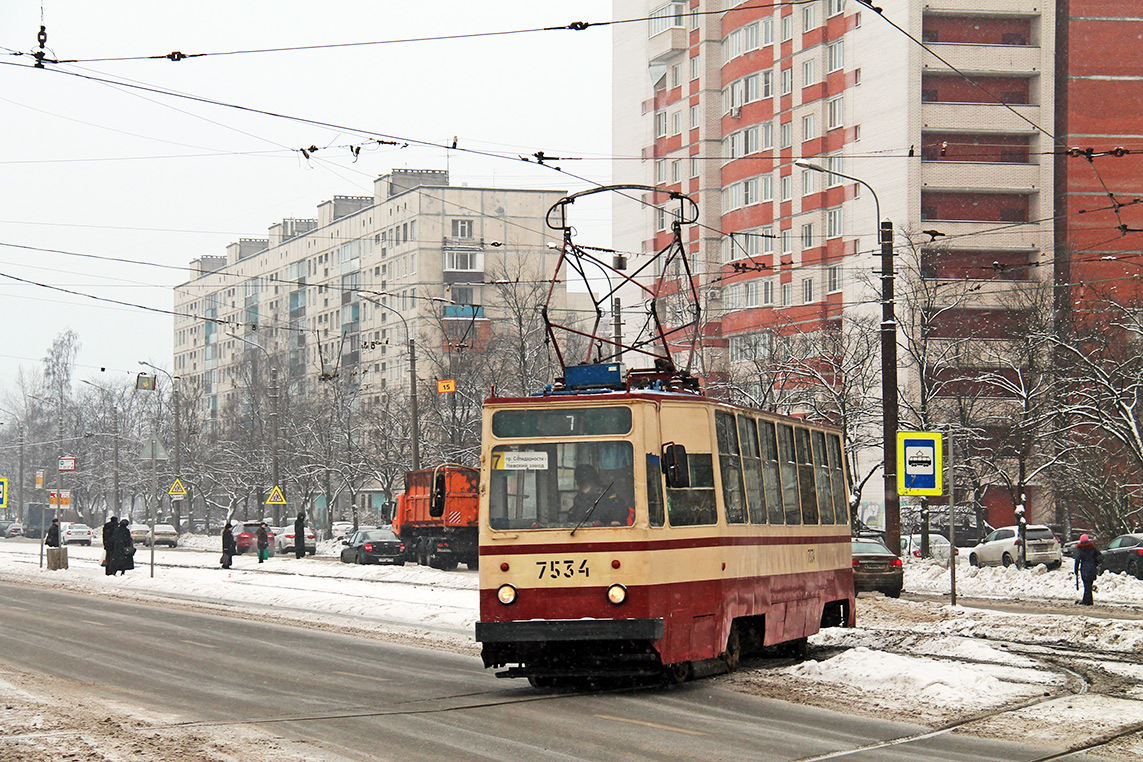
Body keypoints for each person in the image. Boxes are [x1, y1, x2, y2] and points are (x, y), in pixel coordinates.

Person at [1073, 533, 1101, 605]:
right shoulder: (1092, 548)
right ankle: (1087, 600)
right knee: (1089, 585)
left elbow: (1077, 559)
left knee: (1087, 585)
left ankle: (1088, 601)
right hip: (1092, 568)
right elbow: (1099, 555)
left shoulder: (1080, 549)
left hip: (1085, 568)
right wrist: (1096, 562)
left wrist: (1076, 570)